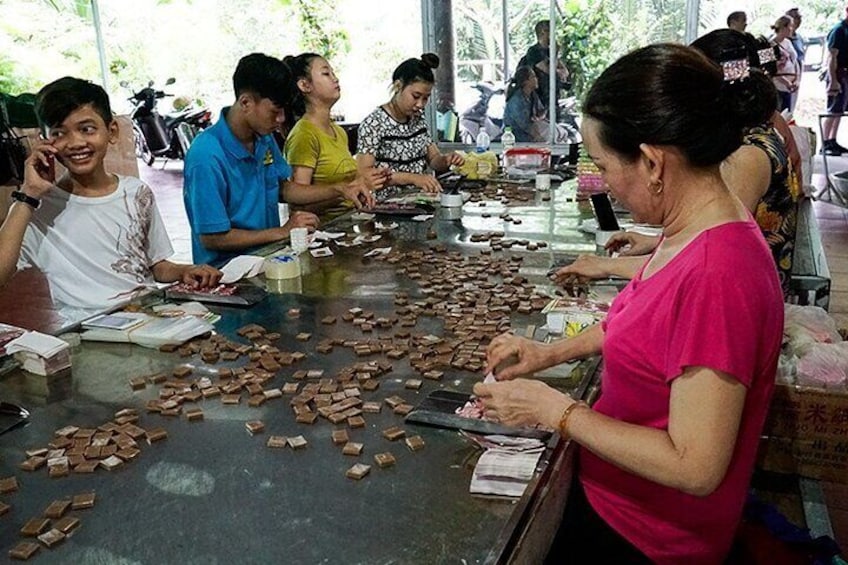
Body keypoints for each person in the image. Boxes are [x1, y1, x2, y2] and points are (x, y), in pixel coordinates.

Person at [475, 43, 784, 564]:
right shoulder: (689, 226)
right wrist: (548, 354)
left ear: (651, 161)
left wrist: (558, 410)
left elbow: (695, 465)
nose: (605, 184)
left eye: (603, 164)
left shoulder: (717, 274)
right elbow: (645, 323)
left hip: (649, 537)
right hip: (614, 495)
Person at [556, 29, 801, 297]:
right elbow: (698, 243)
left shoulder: (747, 157)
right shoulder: (756, 135)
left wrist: (606, 266)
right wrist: (658, 242)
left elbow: (703, 253)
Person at [11, 77, 221, 310]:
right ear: (44, 141)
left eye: (86, 129)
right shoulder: (38, 207)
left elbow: (154, 265)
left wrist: (185, 270)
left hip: (149, 318)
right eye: (59, 133)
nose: (75, 142)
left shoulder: (136, 193)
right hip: (90, 333)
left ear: (111, 131)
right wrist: (27, 195)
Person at [184, 53, 371, 266]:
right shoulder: (206, 155)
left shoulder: (262, 137)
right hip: (228, 274)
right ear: (245, 102)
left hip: (269, 259)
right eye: (274, 111)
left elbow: (283, 189)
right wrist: (282, 232)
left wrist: (340, 189)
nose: (281, 119)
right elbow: (212, 237)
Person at [282, 53, 387, 219]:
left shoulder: (338, 132)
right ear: (304, 85)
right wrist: (344, 192)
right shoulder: (304, 134)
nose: (335, 78)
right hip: (322, 234)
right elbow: (299, 207)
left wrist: (368, 181)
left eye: (333, 73)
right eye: (326, 74)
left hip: (348, 225)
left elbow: (349, 187)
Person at [356, 53, 464, 194]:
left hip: (420, 201)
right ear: (398, 86)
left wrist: (446, 160)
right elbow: (365, 174)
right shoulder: (373, 124)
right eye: (416, 96)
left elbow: (433, 159)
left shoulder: (418, 119)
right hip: (387, 204)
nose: (420, 104)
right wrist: (412, 178)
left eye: (425, 98)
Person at [517, 19, 569, 111]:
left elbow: (565, 71)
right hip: (539, 98)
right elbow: (548, 70)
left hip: (552, 97)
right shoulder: (534, 52)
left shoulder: (550, 51)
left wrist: (559, 70)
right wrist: (555, 58)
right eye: (550, 31)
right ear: (543, 32)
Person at [502, 66, 546, 142]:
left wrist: (540, 117)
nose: (537, 79)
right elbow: (525, 125)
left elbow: (541, 110)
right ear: (526, 81)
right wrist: (538, 136)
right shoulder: (516, 101)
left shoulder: (533, 95)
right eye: (534, 77)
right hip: (515, 137)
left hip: (529, 132)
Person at [770, 15, 801, 113]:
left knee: (788, 113)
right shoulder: (768, 44)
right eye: (790, 26)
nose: (792, 29)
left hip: (790, 85)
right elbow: (768, 68)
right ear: (783, 27)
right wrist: (785, 82)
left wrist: (797, 79)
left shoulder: (788, 42)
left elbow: (795, 61)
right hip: (778, 85)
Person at [786, 7, 807, 112]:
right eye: (796, 19)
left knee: (790, 109)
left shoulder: (799, 38)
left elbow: (800, 60)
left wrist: (798, 79)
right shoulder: (772, 41)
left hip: (795, 79)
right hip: (780, 81)